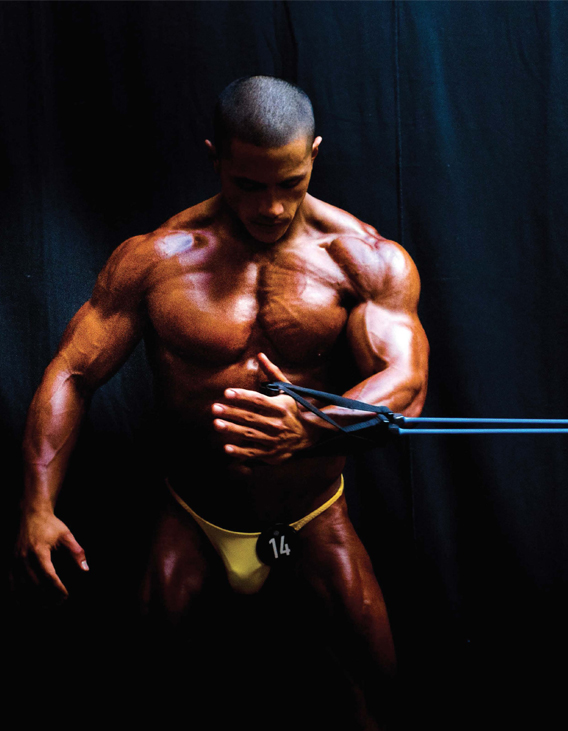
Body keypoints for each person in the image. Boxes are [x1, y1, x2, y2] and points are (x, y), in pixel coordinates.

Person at [14, 76, 428, 727]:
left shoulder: (362, 259)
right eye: (249, 184)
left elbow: (405, 380)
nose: (270, 207)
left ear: (314, 153)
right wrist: (37, 506)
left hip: (311, 514)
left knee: (379, 684)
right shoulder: (157, 259)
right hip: (197, 515)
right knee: (150, 691)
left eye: (289, 183)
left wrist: (315, 427)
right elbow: (72, 373)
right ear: (216, 158)